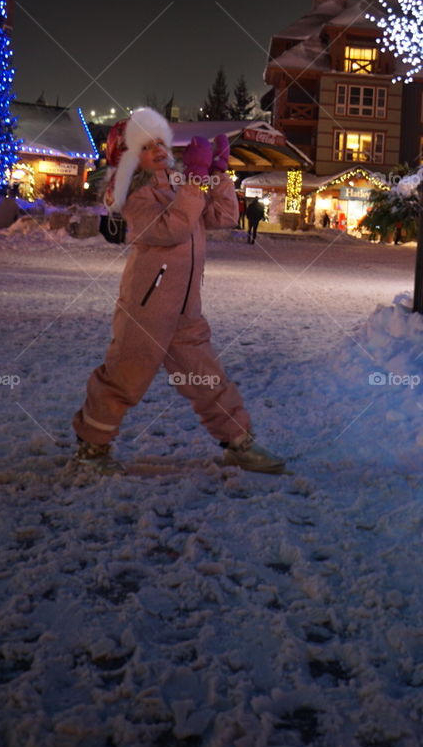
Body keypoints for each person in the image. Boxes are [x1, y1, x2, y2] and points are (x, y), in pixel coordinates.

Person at [72, 108, 285, 475]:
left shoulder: (176, 183)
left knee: (208, 378)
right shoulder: (135, 195)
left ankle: (238, 444)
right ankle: (92, 447)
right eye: (145, 145)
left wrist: (216, 176)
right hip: (147, 309)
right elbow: (173, 228)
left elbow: (222, 217)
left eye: (160, 142)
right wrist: (196, 180)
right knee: (124, 376)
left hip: (186, 310)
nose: (157, 150)